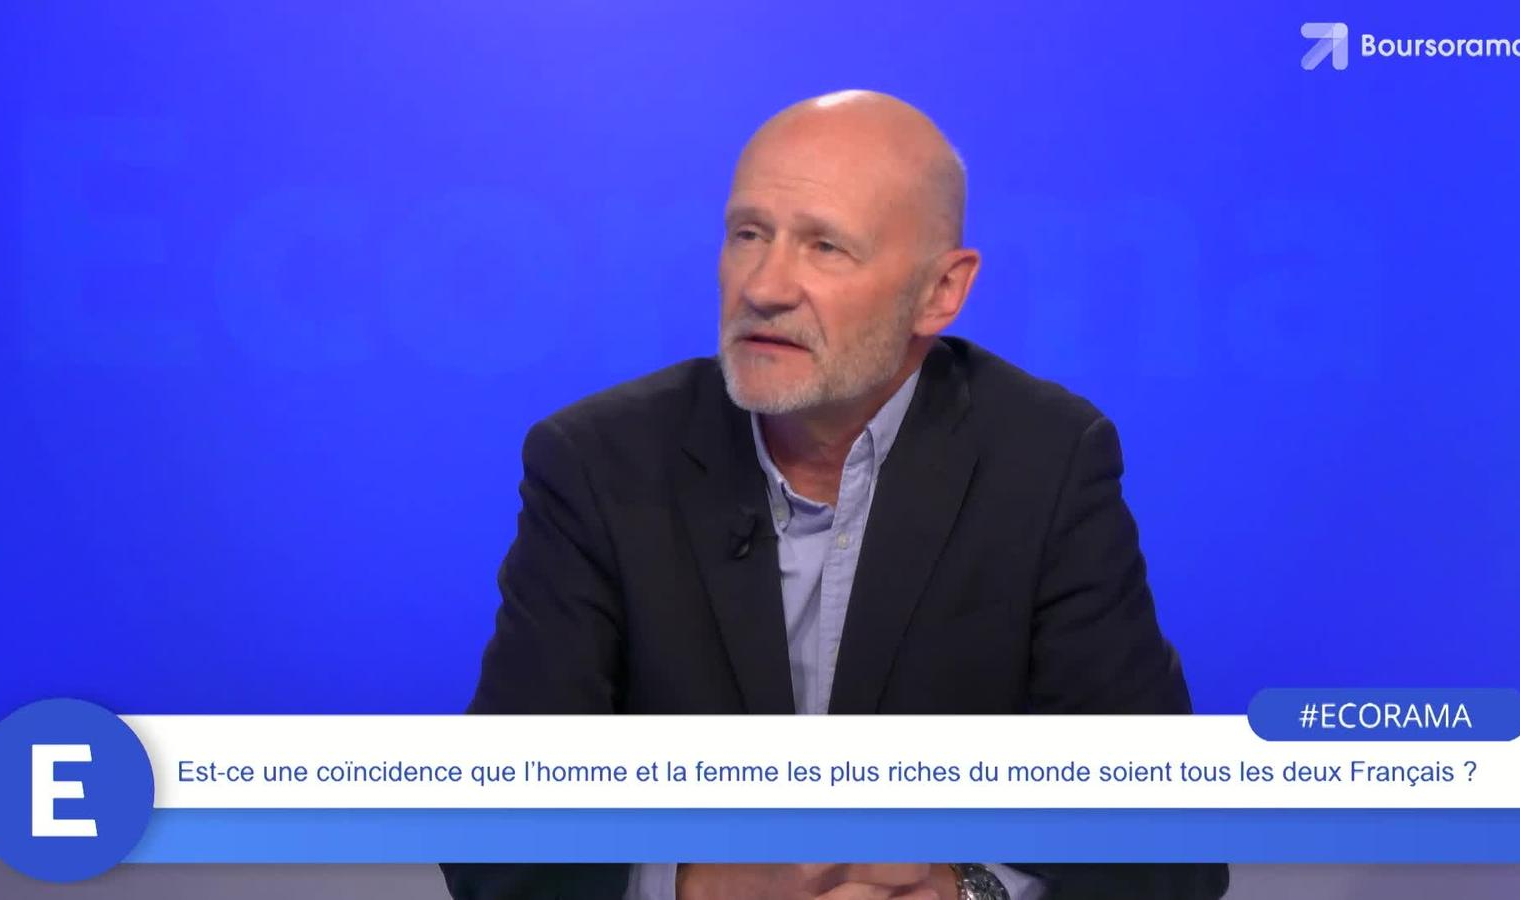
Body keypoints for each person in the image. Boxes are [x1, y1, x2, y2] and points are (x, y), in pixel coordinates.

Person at [441, 90, 1229, 900]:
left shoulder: (1046, 461)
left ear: (941, 292)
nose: (765, 285)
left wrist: (964, 891)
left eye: (825, 246)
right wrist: (696, 886)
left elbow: (1168, 849)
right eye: (749, 234)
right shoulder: (600, 464)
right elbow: (493, 837)